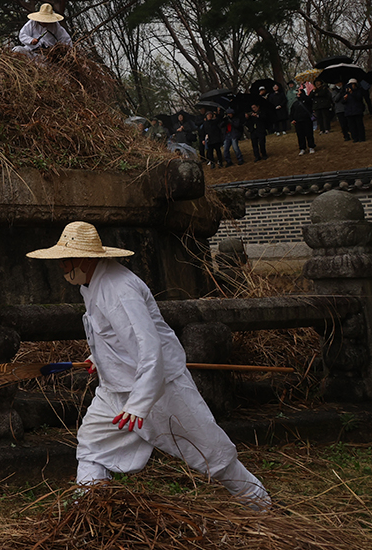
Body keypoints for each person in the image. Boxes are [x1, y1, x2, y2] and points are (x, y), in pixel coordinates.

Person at [25, 221, 271, 508]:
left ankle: (260, 503)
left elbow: (149, 348)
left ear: (83, 258)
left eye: (65, 262)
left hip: (159, 389)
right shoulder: (91, 285)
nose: (62, 269)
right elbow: (115, 338)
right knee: (92, 444)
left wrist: (138, 405)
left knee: (210, 452)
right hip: (116, 390)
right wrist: (99, 359)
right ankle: (90, 509)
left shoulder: (118, 289)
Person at [290, 88, 316, 154]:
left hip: (306, 119)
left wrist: (302, 93)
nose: (297, 93)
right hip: (298, 121)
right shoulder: (295, 103)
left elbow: (309, 101)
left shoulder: (307, 100)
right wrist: (292, 119)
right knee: (300, 135)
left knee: (309, 133)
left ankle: (311, 147)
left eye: (299, 92)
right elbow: (292, 112)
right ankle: (302, 148)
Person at [342, 78, 367, 143]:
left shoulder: (359, 91)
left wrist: (352, 93)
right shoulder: (346, 92)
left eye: (352, 84)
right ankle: (355, 137)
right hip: (349, 111)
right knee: (352, 126)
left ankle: (361, 137)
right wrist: (345, 98)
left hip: (357, 110)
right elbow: (343, 102)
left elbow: (359, 98)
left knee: (359, 125)